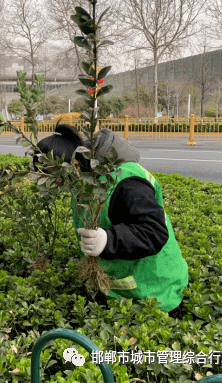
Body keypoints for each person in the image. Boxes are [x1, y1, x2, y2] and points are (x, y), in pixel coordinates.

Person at [33, 124, 189, 315]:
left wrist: (108, 240)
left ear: (72, 166)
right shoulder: (84, 181)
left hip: (154, 293)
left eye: (53, 179)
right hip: (116, 292)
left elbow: (153, 231)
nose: (52, 186)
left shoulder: (126, 182)